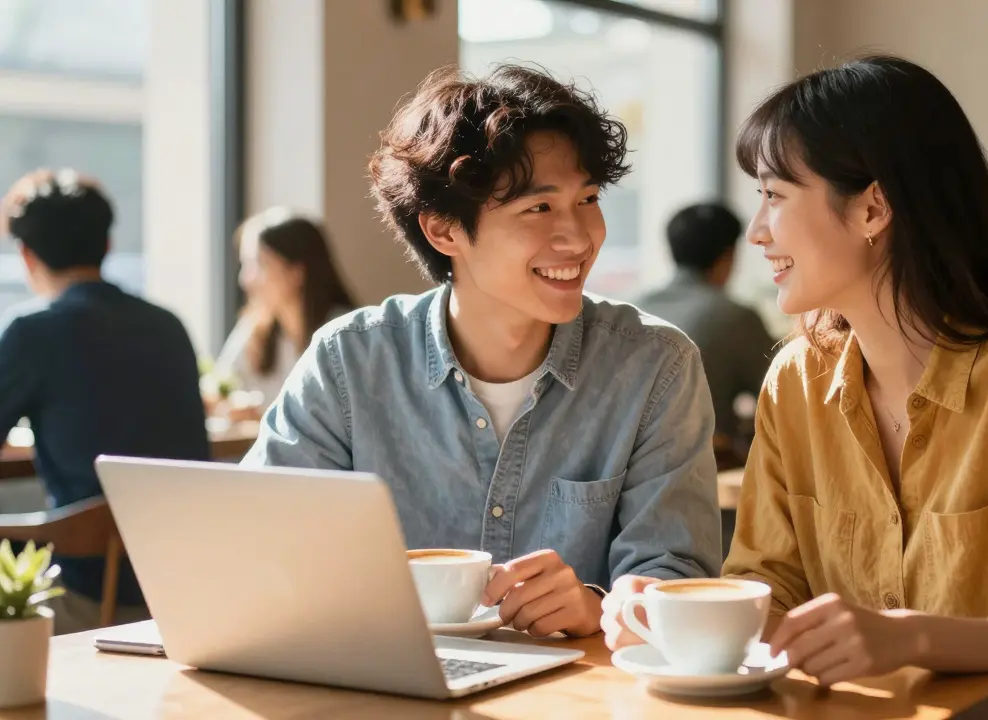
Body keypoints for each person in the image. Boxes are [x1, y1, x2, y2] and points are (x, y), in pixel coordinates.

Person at [604, 57, 988, 719]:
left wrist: (907, 636)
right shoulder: (796, 380)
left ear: (872, 207)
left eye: (775, 196)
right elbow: (767, 584)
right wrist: (677, 618)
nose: (755, 232)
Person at [241, 64, 721, 639]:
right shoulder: (349, 363)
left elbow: (674, 576)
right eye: (539, 208)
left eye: (587, 198)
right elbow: (263, 543)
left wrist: (600, 606)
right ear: (444, 231)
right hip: (389, 680)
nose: (580, 236)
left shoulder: (654, 366)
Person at [0, 169, 209, 634]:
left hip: (87, 593)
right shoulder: (168, 325)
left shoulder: (31, 332)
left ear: (27, 256)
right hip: (180, 586)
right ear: (108, 245)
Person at [635, 203, 776, 438]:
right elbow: (781, 394)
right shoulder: (734, 316)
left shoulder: (634, 308)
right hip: (703, 465)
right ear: (728, 255)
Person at [212, 208, 355, 407]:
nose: (245, 280)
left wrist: (260, 413)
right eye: (244, 265)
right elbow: (220, 388)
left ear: (297, 272)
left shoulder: (344, 336)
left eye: (259, 264)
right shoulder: (255, 328)